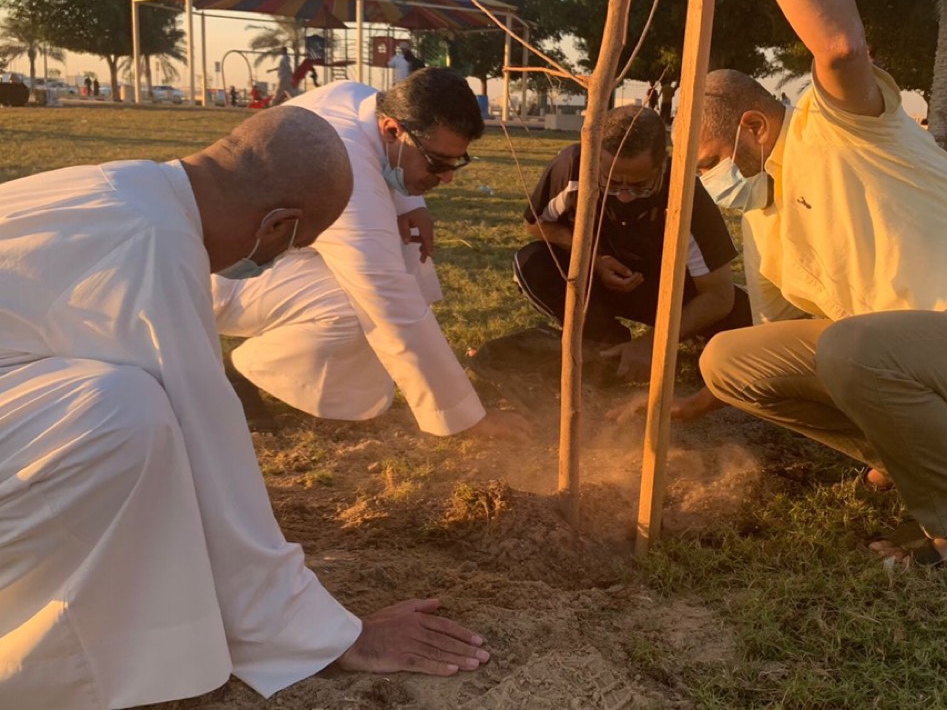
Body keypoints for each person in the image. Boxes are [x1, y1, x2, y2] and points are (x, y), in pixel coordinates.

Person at [0, 107, 491, 709]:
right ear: (278, 225)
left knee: (128, 413)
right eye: (294, 247)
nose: (276, 263)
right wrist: (328, 634)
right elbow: (209, 446)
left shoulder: (125, 184)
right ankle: (48, 666)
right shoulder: (153, 246)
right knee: (122, 416)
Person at [623, 0, 947, 568]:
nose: (712, 183)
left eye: (710, 163)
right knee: (728, 358)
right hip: (918, 362)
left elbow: (840, 45)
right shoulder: (763, 217)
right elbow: (782, 358)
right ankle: (905, 457)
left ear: (754, 126)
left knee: (851, 345)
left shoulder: (838, 125)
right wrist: (692, 402)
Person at [213, 68, 528, 439]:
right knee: (358, 308)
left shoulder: (359, 99)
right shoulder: (342, 170)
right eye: (438, 163)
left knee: (401, 253)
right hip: (220, 279)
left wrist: (411, 203)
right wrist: (468, 418)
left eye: (456, 162)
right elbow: (389, 301)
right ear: (392, 129)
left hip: (258, 258)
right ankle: (248, 370)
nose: (448, 178)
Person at [513, 105, 751, 380]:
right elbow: (536, 223)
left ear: (662, 165)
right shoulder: (575, 166)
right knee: (531, 263)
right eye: (612, 183)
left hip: (664, 290)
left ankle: (685, 335)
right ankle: (603, 337)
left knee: (742, 319)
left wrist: (651, 345)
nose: (624, 196)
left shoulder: (686, 194)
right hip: (596, 276)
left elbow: (718, 295)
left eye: (639, 186)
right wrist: (595, 259)